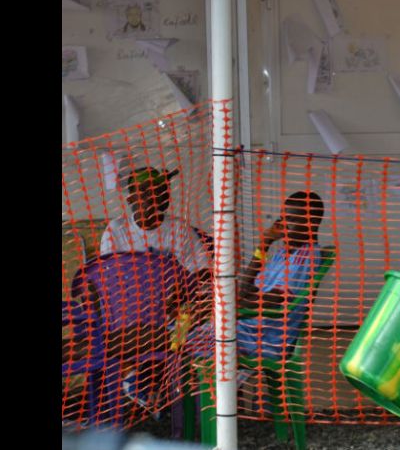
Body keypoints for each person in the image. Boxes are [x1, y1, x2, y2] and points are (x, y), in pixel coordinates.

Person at [99, 165, 212, 413]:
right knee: (134, 334)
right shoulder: (116, 230)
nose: (155, 197)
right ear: (131, 198)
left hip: (175, 314)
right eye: (146, 192)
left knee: (198, 324)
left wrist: (182, 292)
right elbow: (110, 283)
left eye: (161, 191)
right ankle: (144, 382)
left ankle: (149, 383)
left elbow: (202, 272)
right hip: (130, 312)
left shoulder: (179, 228)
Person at [186, 191, 324, 363]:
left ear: (312, 222)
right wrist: (264, 244)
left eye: (291, 219)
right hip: (247, 326)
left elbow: (276, 299)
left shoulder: (306, 256)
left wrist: (226, 306)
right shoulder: (282, 253)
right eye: (281, 218)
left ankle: (222, 388)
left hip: (265, 338)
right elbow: (246, 287)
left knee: (182, 342)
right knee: (179, 332)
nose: (282, 225)